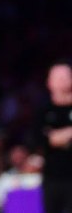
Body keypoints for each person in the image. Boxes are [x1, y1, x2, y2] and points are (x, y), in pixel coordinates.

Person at [39, 62, 72, 212]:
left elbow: (53, 138)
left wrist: (58, 136)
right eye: (58, 77)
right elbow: (44, 140)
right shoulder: (43, 110)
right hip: (53, 178)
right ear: (49, 82)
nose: (62, 80)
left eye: (66, 76)